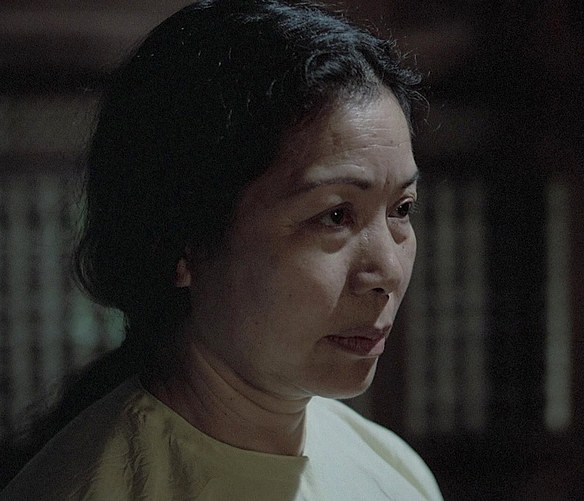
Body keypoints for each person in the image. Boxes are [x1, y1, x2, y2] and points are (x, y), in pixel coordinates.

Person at [1, 0, 442, 499]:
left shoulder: (394, 472)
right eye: (335, 216)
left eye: (401, 209)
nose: (387, 269)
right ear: (183, 240)